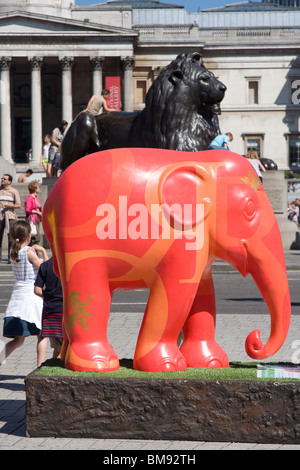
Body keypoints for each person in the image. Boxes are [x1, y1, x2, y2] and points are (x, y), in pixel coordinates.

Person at [1, 220, 48, 367]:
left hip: (18, 297)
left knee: (18, 339)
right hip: (32, 297)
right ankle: (40, 367)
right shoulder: (29, 252)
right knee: (42, 335)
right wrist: (44, 252)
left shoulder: (13, 251)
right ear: (28, 236)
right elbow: (45, 269)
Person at [34, 257, 64, 359]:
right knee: (65, 348)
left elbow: (37, 290)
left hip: (50, 311)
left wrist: (49, 296)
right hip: (66, 310)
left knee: (57, 347)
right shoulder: (69, 263)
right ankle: (56, 369)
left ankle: (52, 365)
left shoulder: (45, 265)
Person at [0, 174, 21, 263]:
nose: (2, 180)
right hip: (0, 216)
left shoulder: (14, 191)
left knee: (11, 237)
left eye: (4, 179)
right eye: (2, 178)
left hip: (10, 216)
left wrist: (10, 205)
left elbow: (18, 204)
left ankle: (10, 256)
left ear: (9, 181)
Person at [25, 181, 43, 246]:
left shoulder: (36, 197)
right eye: (38, 187)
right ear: (34, 188)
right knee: (36, 237)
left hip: (37, 218)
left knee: (36, 236)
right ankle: (30, 250)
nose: (39, 188)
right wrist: (37, 212)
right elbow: (28, 210)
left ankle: (33, 252)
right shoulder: (29, 198)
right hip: (33, 218)